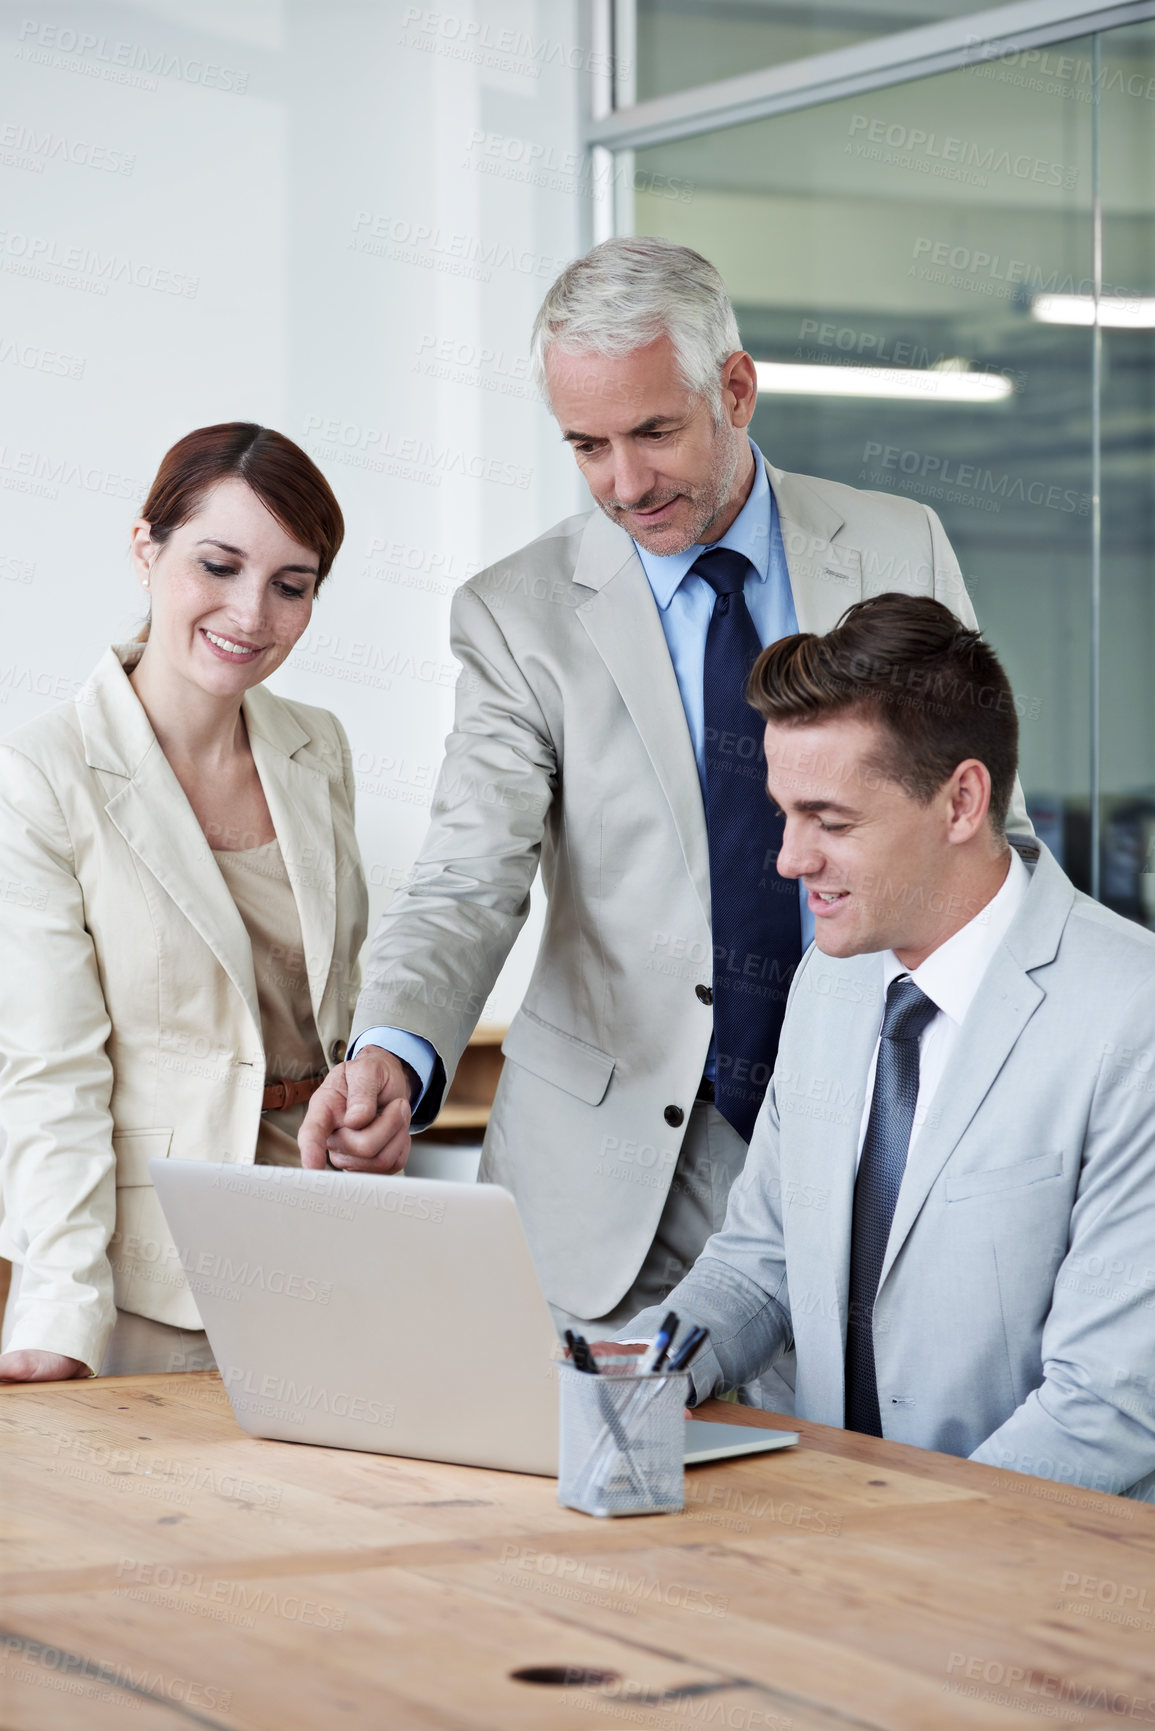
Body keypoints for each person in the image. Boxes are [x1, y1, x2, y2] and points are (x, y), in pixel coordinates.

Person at [300, 238, 1029, 1395]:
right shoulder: (515, 615)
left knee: (837, 1523)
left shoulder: (899, 547)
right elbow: (466, 872)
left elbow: (984, 836)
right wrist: (396, 1042)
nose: (624, 483)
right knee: (592, 1540)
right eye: (586, 446)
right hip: (610, 1180)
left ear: (734, 390)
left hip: (860, 1127)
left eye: (654, 433)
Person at [625, 593, 1155, 1498]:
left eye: (829, 822)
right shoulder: (831, 980)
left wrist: (907, 1544)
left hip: (1046, 1576)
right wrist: (636, 1370)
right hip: (851, 1552)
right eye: (785, 815)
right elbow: (761, 1260)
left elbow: (1107, 1402)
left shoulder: (1128, 1016)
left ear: (960, 800)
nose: (789, 859)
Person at [0, 423, 368, 1382]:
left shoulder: (315, 745)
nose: (251, 612)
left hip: (328, 1253)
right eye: (219, 564)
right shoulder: (40, 775)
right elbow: (51, 1073)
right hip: (151, 1281)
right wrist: (57, 1310)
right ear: (145, 549)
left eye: (292, 585)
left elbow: (334, 1004)